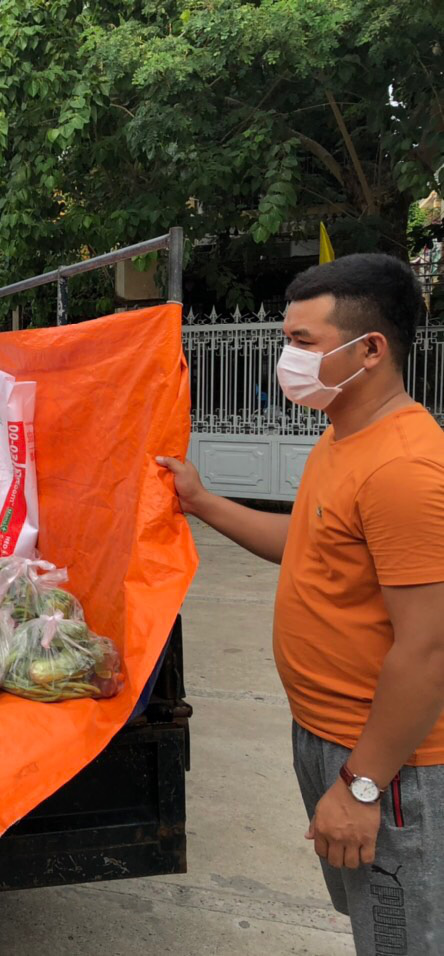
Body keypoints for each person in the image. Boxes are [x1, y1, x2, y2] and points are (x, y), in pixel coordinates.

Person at [159, 254, 444, 955]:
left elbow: (428, 648)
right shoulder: (343, 436)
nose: (288, 359)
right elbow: (304, 542)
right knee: (377, 924)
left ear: (370, 349)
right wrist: (200, 502)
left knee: (402, 933)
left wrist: (364, 786)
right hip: (325, 734)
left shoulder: (404, 467)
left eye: (304, 343)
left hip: (389, 760)